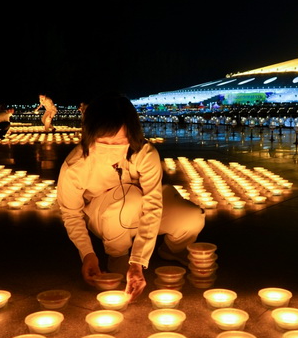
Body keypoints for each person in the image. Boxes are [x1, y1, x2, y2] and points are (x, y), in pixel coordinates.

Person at [57, 93, 205, 301]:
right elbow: (71, 213)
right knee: (129, 198)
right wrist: (87, 254)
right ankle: (117, 255)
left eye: (120, 140)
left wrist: (138, 262)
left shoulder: (144, 153)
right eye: (104, 141)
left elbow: (153, 205)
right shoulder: (76, 166)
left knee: (191, 216)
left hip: (140, 207)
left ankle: (172, 251)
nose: (112, 147)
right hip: (105, 217)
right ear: (90, 134)